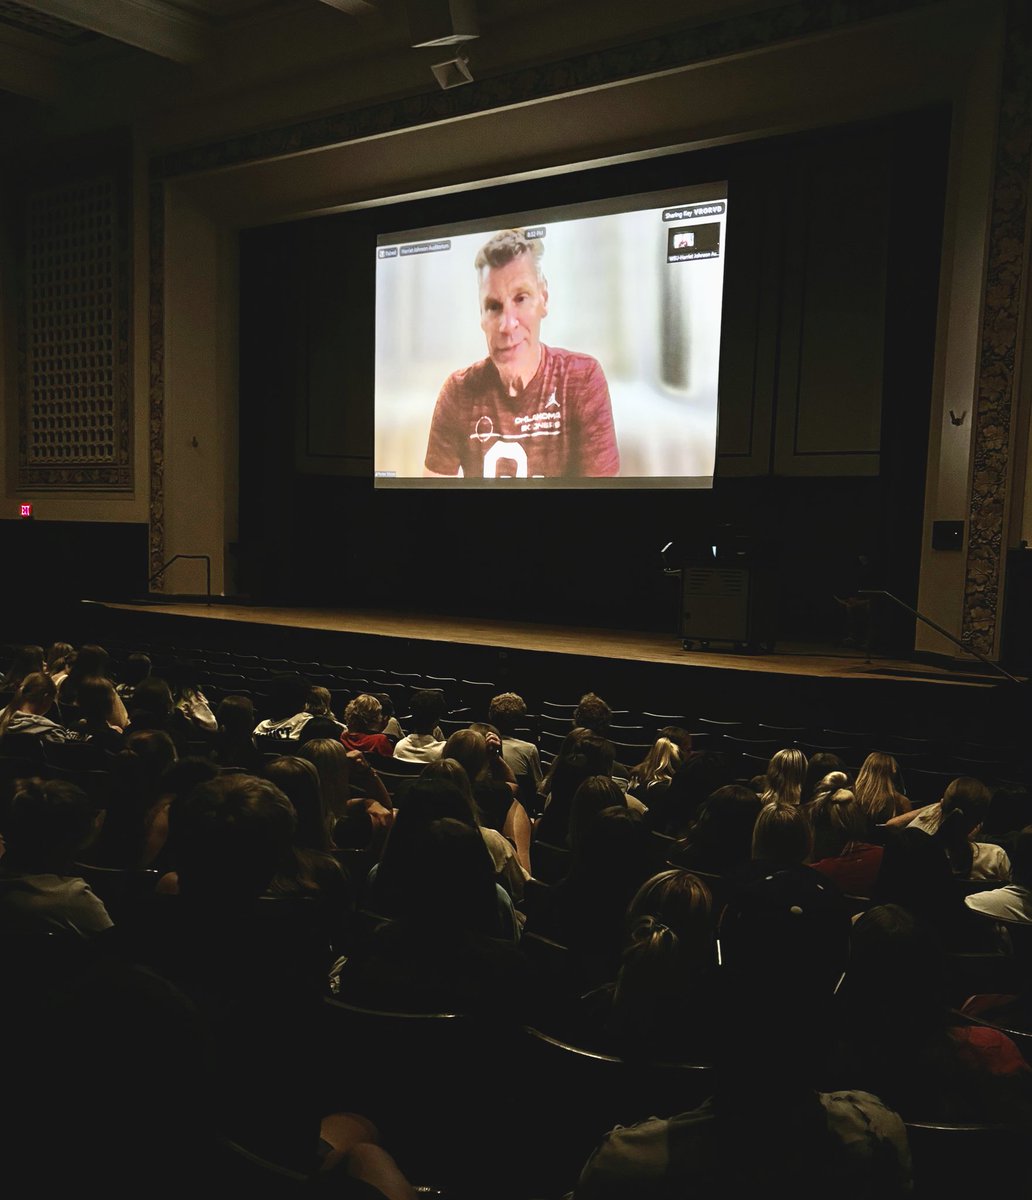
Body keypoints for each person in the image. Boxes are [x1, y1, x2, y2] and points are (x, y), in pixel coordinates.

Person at [424, 228, 619, 479]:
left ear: (543, 299)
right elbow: (427, 504)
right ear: (481, 316)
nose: (507, 325)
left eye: (521, 298)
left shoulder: (582, 379)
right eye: (493, 306)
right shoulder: (458, 391)